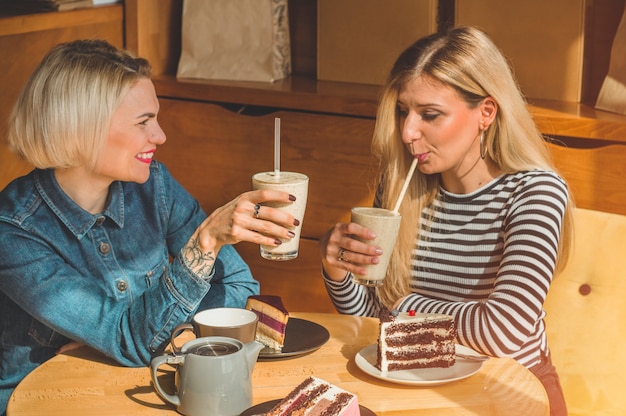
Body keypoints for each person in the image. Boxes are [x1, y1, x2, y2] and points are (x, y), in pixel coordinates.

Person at [0, 39, 300, 414]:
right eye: (144, 122)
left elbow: (239, 286)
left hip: (137, 394)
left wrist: (162, 339)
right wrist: (204, 242)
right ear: (82, 129)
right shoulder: (13, 232)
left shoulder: (155, 186)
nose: (160, 136)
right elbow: (129, 339)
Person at [318, 26, 573, 416]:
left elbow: (504, 332)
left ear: (485, 112)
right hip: (414, 383)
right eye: (403, 111)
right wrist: (338, 273)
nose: (407, 132)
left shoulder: (534, 193)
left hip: (512, 388)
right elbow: (373, 317)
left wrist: (403, 306)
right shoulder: (402, 185)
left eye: (430, 114)